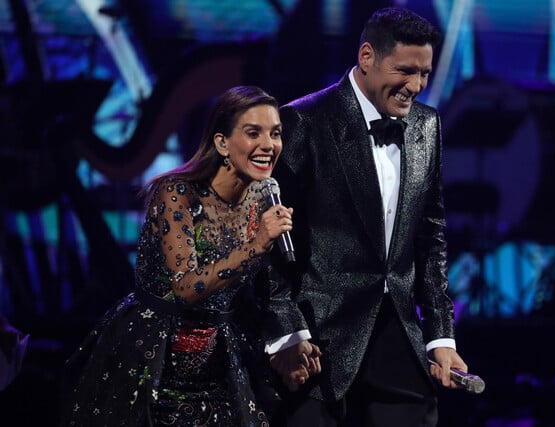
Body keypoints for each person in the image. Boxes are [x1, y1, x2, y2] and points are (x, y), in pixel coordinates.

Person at [60, 85, 318, 426]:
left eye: (275, 133)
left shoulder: (263, 197)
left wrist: (290, 342)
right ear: (222, 142)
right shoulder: (176, 193)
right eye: (253, 133)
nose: (269, 145)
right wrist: (255, 245)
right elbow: (185, 288)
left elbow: (271, 290)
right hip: (153, 358)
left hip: (220, 359)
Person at [264, 7, 470, 427]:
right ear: (367, 56)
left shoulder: (427, 126)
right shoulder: (302, 121)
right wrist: (285, 331)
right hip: (317, 337)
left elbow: (430, 240)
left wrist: (441, 335)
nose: (415, 86)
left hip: (398, 336)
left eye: (425, 73)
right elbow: (268, 240)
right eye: (405, 71)